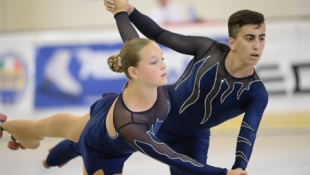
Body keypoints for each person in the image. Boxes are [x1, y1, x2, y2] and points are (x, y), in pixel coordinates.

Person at [0, 4, 247, 175]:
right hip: (103, 151)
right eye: (154, 62)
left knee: (58, 131)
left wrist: (121, 10)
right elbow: (171, 157)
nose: (163, 65)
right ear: (134, 72)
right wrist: (223, 172)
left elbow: (131, 39)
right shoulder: (131, 126)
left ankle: (45, 150)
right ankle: (5, 126)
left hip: (106, 112)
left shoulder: (143, 72)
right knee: (62, 134)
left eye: (161, 57)